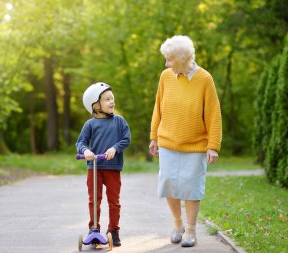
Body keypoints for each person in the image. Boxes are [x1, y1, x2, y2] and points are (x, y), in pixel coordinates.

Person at [149, 35, 222, 247]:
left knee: (191, 187)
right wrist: (154, 136)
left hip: (195, 145)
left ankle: (191, 229)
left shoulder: (204, 79)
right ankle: (178, 224)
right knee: (169, 184)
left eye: (169, 59)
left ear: (182, 59)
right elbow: (158, 107)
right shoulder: (166, 77)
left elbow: (213, 114)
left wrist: (213, 146)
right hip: (168, 142)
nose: (166, 63)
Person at [76, 82, 131, 247]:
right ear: (95, 105)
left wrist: (115, 148)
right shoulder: (90, 124)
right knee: (94, 200)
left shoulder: (119, 121)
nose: (112, 102)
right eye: (107, 99)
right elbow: (81, 142)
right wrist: (85, 151)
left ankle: (113, 230)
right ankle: (94, 229)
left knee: (114, 201)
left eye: (112, 99)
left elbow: (126, 139)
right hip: (94, 168)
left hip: (113, 168)